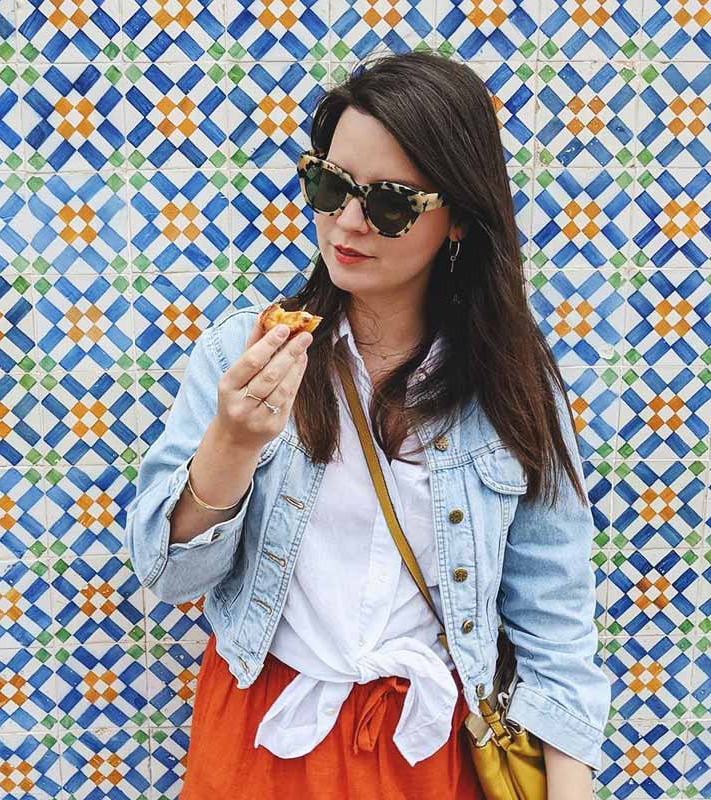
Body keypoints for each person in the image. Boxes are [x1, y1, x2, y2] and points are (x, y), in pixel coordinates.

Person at [124, 50, 611, 800]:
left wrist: (569, 790)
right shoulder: (243, 349)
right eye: (329, 184)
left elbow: (555, 616)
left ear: (456, 220)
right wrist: (234, 442)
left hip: (433, 746)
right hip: (262, 731)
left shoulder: (513, 381)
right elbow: (170, 575)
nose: (346, 222)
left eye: (390, 202)